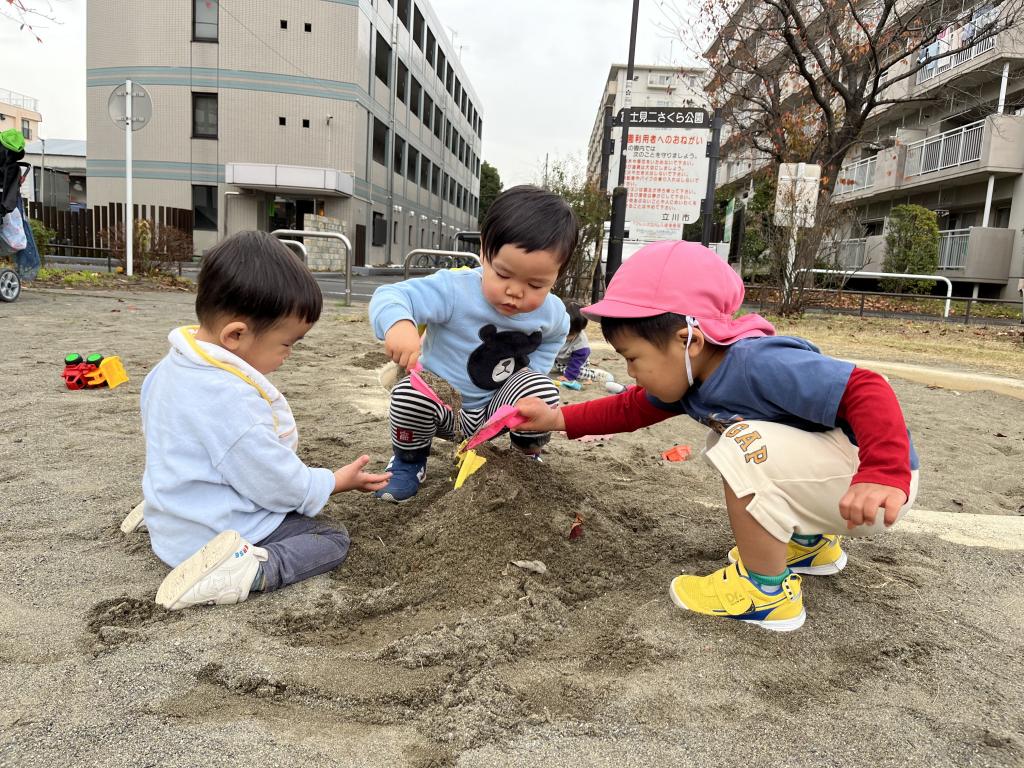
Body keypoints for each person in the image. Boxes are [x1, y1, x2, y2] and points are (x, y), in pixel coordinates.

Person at [517, 240, 919, 632]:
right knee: (742, 441)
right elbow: (630, 408)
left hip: (872, 484)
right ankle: (811, 546)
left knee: (741, 444)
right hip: (837, 482)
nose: (631, 374)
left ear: (689, 341)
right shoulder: (696, 378)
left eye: (633, 358)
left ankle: (765, 592)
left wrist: (882, 472)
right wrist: (555, 419)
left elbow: (866, 387)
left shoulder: (756, 362)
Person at [139, 231, 391, 610]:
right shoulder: (229, 399)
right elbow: (274, 482)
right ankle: (249, 571)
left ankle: (171, 502)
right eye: (287, 343)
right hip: (206, 537)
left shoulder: (169, 368)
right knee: (329, 538)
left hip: (170, 523)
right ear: (236, 335)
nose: (289, 354)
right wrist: (333, 482)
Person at [369, 185, 577, 502]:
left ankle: (524, 458)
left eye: (536, 284)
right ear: (484, 252)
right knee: (409, 395)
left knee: (542, 391)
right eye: (503, 274)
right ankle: (408, 463)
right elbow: (393, 295)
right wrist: (399, 324)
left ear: (557, 276)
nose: (516, 292)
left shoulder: (553, 314)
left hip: (497, 412)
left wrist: (530, 377)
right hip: (444, 407)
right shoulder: (455, 290)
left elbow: (552, 339)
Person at [551, 301, 618, 388]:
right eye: (563, 332)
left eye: (570, 334)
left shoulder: (581, 344)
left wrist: (568, 376)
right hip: (559, 359)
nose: (565, 337)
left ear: (579, 331)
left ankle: (595, 374)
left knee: (574, 372)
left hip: (575, 362)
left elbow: (577, 361)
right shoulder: (553, 331)